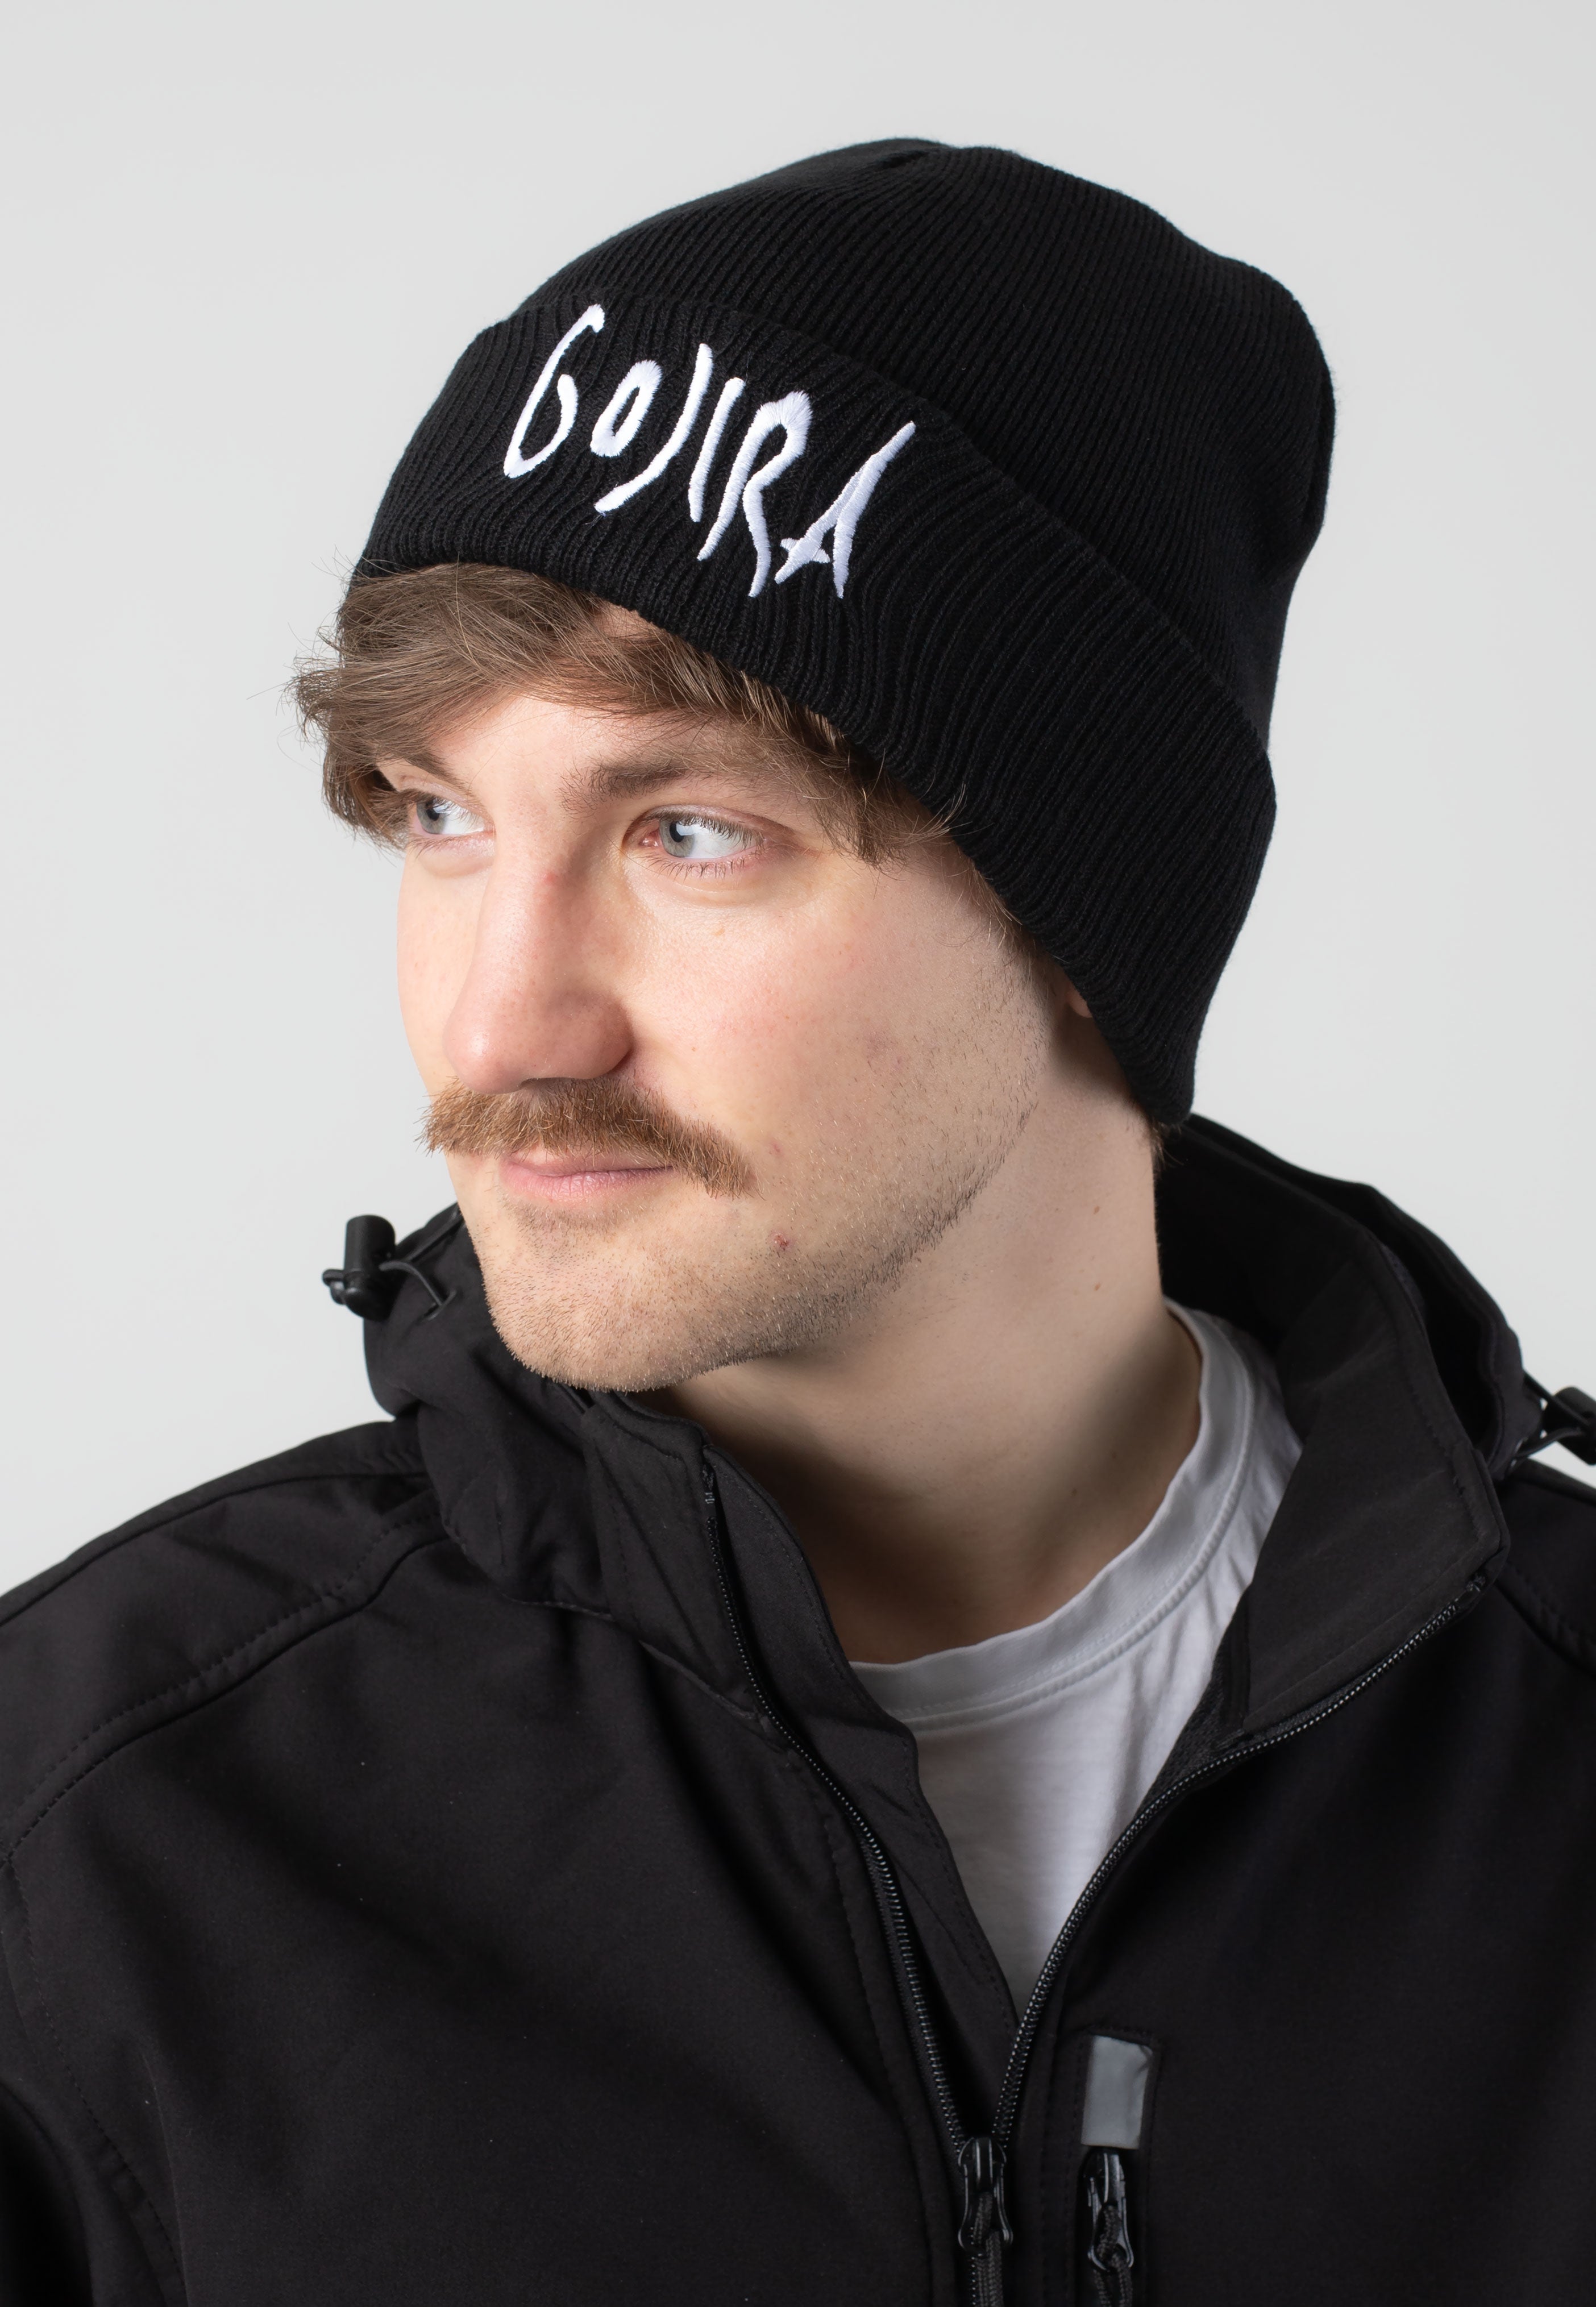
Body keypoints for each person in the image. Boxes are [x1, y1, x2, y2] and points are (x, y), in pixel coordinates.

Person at [2, 139, 1593, 2307]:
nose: (504, 1020)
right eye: (440, 815)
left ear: (1089, 913)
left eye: (690, 830)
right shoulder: (101, 1833)